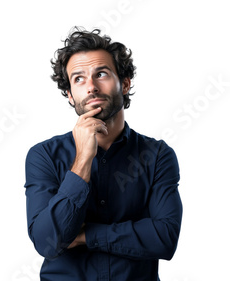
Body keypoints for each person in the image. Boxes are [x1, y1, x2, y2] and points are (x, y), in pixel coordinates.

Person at [23, 27, 183, 280]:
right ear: (69, 95)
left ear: (125, 83)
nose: (91, 87)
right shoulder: (44, 156)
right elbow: (47, 242)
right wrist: (83, 160)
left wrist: (85, 235)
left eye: (101, 74)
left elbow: (164, 238)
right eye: (78, 79)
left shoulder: (157, 155)